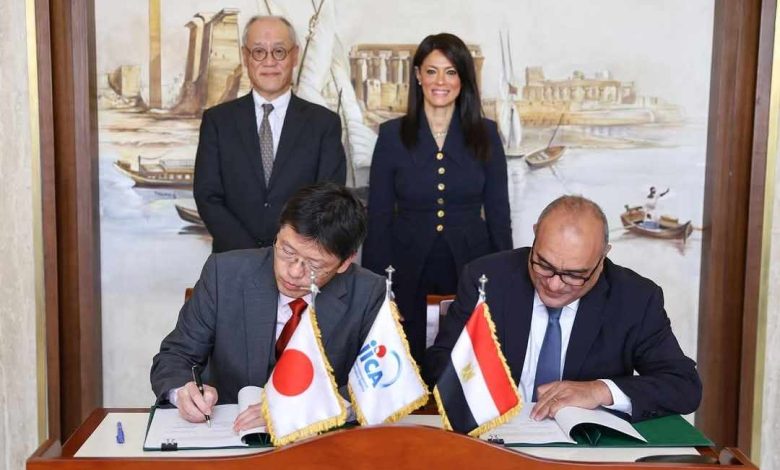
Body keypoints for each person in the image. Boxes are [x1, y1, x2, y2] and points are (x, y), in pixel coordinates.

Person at [426, 195, 702, 422]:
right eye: (543, 265)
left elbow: (683, 385)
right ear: (535, 233)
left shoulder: (635, 298)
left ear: (603, 256)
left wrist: (599, 391)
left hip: (586, 452)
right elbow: (440, 363)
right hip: (495, 434)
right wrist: (484, 388)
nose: (554, 285)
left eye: (574, 274)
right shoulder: (487, 279)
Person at [151, 183, 385, 431]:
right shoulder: (225, 274)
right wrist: (182, 392)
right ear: (279, 232)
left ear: (345, 262)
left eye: (314, 265)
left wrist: (306, 408)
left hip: (316, 439)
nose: (294, 272)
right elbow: (175, 356)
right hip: (228, 432)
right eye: (287, 251)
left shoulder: (369, 293)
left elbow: (382, 383)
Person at [362, 33, 512, 368]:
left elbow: (499, 215)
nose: (440, 81)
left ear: (463, 78)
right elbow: (379, 218)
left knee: (466, 359)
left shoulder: (486, 134)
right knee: (407, 357)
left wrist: (504, 279)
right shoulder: (392, 135)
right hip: (407, 264)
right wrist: (377, 289)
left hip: (471, 263)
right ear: (418, 76)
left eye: (450, 72)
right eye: (431, 71)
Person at [194, 15, 346, 253]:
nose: (269, 61)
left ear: (294, 56)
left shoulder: (324, 124)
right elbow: (208, 196)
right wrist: (250, 255)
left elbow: (328, 200)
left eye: (279, 51)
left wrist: (286, 253)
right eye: (258, 52)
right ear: (245, 57)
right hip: (234, 260)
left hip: (299, 262)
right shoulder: (218, 121)